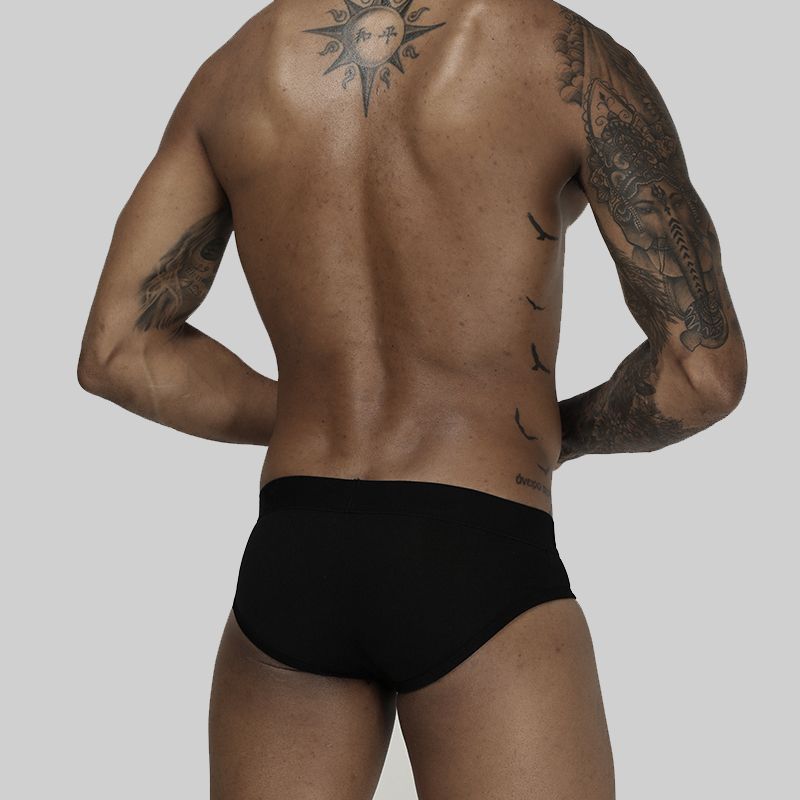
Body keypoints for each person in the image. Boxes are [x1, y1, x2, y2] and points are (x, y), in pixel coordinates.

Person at [77, 0, 747, 797]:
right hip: (479, 544)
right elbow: (703, 373)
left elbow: (118, 352)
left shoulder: (237, 69)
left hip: (295, 551)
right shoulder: (564, 57)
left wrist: (314, 409)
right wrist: (548, 433)